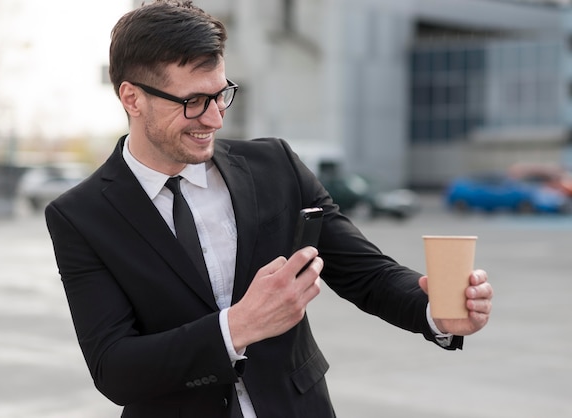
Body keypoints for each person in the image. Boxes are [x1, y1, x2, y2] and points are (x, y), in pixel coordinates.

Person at [45, 1, 493, 417]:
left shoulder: (275, 165)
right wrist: (236, 326)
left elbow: (367, 273)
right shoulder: (80, 216)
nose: (215, 118)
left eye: (221, 94)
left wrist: (436, 311)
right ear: (132, 98)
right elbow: (115, 368)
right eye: (193, 102)